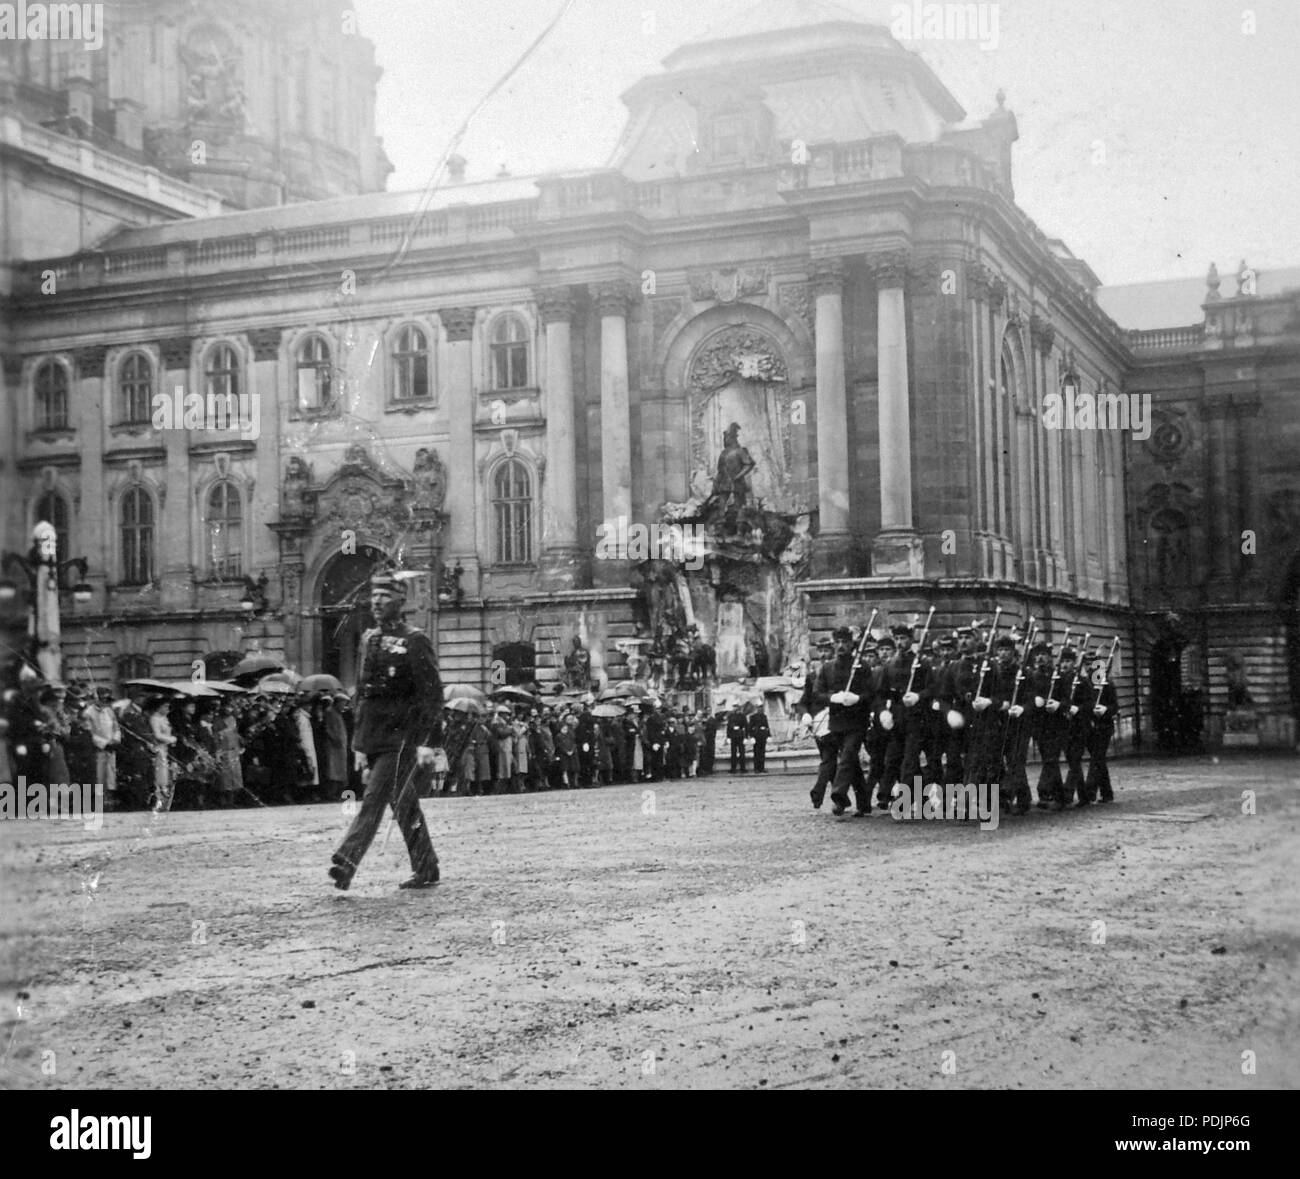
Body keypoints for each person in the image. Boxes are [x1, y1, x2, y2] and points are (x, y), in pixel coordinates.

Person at [329, 571, 443, 891]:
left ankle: (347, 860)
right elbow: (364, 695)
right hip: (376, 737)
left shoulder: (415, 640)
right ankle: (427, 866)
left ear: (401, 601)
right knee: (404, 805)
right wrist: (359, 745)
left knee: (373, 798)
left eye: (386, 596)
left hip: (402, 738)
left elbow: (431, 694)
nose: (377, 602)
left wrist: (427, 742)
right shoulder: (368, 639)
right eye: (374, 595)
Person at [84, 687, 121, 801]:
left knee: (110, 774)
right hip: (98, 749)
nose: (106, 702)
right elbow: (90, 733)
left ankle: (109, 797)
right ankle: (98, 799)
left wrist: (115, 739)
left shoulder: (109, 711)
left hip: (111, 748)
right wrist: (104, 743)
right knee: (99, 774)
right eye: (104, 699)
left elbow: (116, 727)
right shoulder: (88, 713)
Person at [747, 704, 770, 773]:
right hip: (756, 736)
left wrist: (768, 735)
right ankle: (756, 768)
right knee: (756, 753)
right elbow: (750, 728)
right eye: (759, 708)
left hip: (763, 736)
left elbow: (767, 726)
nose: (761, 709)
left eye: (761, 708)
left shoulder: (764, 716)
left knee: (762, 753)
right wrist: (751, 736)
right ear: (757, 709)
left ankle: (762, 768)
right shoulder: (753, 717)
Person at [726, 704, 748, 774]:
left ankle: (743, 768)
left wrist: (746, 737)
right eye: (734, 707)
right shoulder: (731, 716)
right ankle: (733, 768)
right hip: (733, 736)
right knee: (733, 753)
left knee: (742, 753)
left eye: (736, 707)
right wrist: (728, 737)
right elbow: (728, 727)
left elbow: (746, 726)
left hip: (740, 735)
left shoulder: (742, 716)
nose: (735, 709)